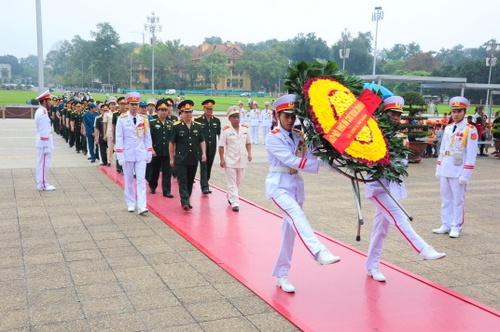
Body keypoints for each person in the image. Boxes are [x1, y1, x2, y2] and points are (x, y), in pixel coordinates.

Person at [365, 96, 446, 282]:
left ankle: (372, 265)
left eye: (398, 114)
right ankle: (422, 249)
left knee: (380, 230)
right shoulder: (373, 134)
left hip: (392, 187)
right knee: (399, 217)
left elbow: (402, 164)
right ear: (384, 113)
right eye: (392, 113)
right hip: (377, 186)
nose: (395, 117)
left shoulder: (401, 137)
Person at [266, 94, 341, 293]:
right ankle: (318, 251)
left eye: (293, 116)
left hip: (296, 188)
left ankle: (282, 274)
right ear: (277, 115)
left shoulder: (299, 136)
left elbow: (313, 155)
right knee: (297, 216)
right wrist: (320, 164)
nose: (291, 120)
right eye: (286, 116)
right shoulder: (273, 136)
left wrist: (341, 166)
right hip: (278, 187)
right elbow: (291, 161)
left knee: (289, 234)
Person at [434, 96, 478, 238]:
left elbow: (471, 154)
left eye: (459, 111)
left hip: (458, 170)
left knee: (458, 200)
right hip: (446, 167)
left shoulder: (469, 130)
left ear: (464, 112)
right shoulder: (447, 128)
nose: (456, 114)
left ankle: (456, 226)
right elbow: (443, 149)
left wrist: (466, 174)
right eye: (454, 111)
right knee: (445, 198)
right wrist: (438, 168)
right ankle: (446, 224)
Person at [115, 92, 153, 215]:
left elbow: (147, 137)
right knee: (129, 180)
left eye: (136, 104)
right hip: (128, 153)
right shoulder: (121, 119)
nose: (134, 107)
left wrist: (149, 152)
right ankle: (131, 203)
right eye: (132, 104)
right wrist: (120, 155)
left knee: (141, 180)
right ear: (127, 105)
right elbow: (119, 138)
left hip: (141, 153)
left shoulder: (144, 119)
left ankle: (142, 205)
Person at [169, 100, 206, 210]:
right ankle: (185, 201)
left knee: (190, 180)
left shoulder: (197, 126)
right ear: (181, 113)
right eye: (186, 112)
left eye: (190, 112)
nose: (189, 114)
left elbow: (202, 141)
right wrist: (172, 158)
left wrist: (203, 154)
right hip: (181, 158)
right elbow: (172, 143)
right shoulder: (176, 127)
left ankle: (187, 199)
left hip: (193, 158)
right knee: (183, 180)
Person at [219, 106, 252, 212]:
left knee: (238, 182)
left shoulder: (245, 129)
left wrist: (250, 153)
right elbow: (221, 146)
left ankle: (230, 195)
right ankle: (235, 203)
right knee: (232, 183)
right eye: (234, 117)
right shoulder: (226, 131)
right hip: (230, 160)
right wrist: (222, 159)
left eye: (237, 117)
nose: (236, 119)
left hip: (242, 160)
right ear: (229, 119)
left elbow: (248, 142)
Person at [149, 99, 175, 198]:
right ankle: (153, 186)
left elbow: (173, 140)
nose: (164, 112)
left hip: (167, 152)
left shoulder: (171, 123)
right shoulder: (152, 123)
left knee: (167, 172)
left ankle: (166, 191)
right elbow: (149, 137)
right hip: (156, 150)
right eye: (162, 110)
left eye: (165, 110)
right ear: (157, 111)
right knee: (154, 170)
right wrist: (151, 149)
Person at [196, 99, 221, 194]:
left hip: (212, 147)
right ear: (204, 109)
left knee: (209, 166)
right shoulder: (198, 120)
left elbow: (219, 135)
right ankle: (204, 186)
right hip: (201, 148)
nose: (209, 110)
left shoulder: (216, 120)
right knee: (204, 166)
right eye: (207, 109)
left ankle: (206, 182)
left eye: (211, 109)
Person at [35, 90, 56, 191]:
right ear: (44, 102)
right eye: (49, 101)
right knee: (43, 164)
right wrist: (47, 145)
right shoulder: (43, 113)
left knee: (42, 163)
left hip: (43, 141)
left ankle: (42, 183)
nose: (50, 103)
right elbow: (44, 131)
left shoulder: (41, 111)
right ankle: (43, 184)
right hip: (44, 143)